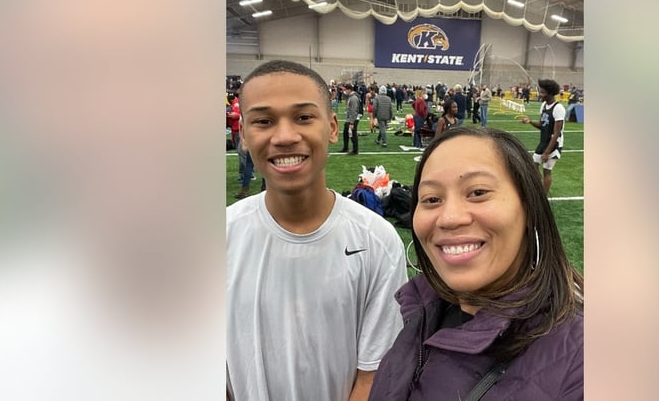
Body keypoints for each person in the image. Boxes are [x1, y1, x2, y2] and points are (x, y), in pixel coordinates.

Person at [226, 60, 408, 401]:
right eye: (263, 121)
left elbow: (373, 377)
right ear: (245, 137)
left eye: (303, 117)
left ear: (333, 127)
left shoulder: (377, 241)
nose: (284, 136)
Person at [368, 126, 584, 401]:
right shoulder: (420, 309)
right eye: (432, 199)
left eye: (478, 192)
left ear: (529, 207)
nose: (449, 218)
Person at [521, 79, 566, 195]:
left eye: (542, 93)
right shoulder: (544, 106)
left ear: (551, 93)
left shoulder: (558, 108)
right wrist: (530, 121)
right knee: (533, 166)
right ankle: (536, 189)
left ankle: (543, 197)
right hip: (543, 142)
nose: (540, 94)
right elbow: (542, 125)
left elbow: (556, 133)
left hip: (553, 144)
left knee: (547, 171)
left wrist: (547, 152)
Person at [340, 83, 360, 155]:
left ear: (349, 89)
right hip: (349, 119)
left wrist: (351, 122)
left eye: (345, 90)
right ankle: (346, 147)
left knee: (352, 135)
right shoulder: (350, 97)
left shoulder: (353, 98)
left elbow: (354, 111)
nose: (344, 91)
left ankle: (355, 150)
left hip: (353, 119)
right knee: (345, 133)